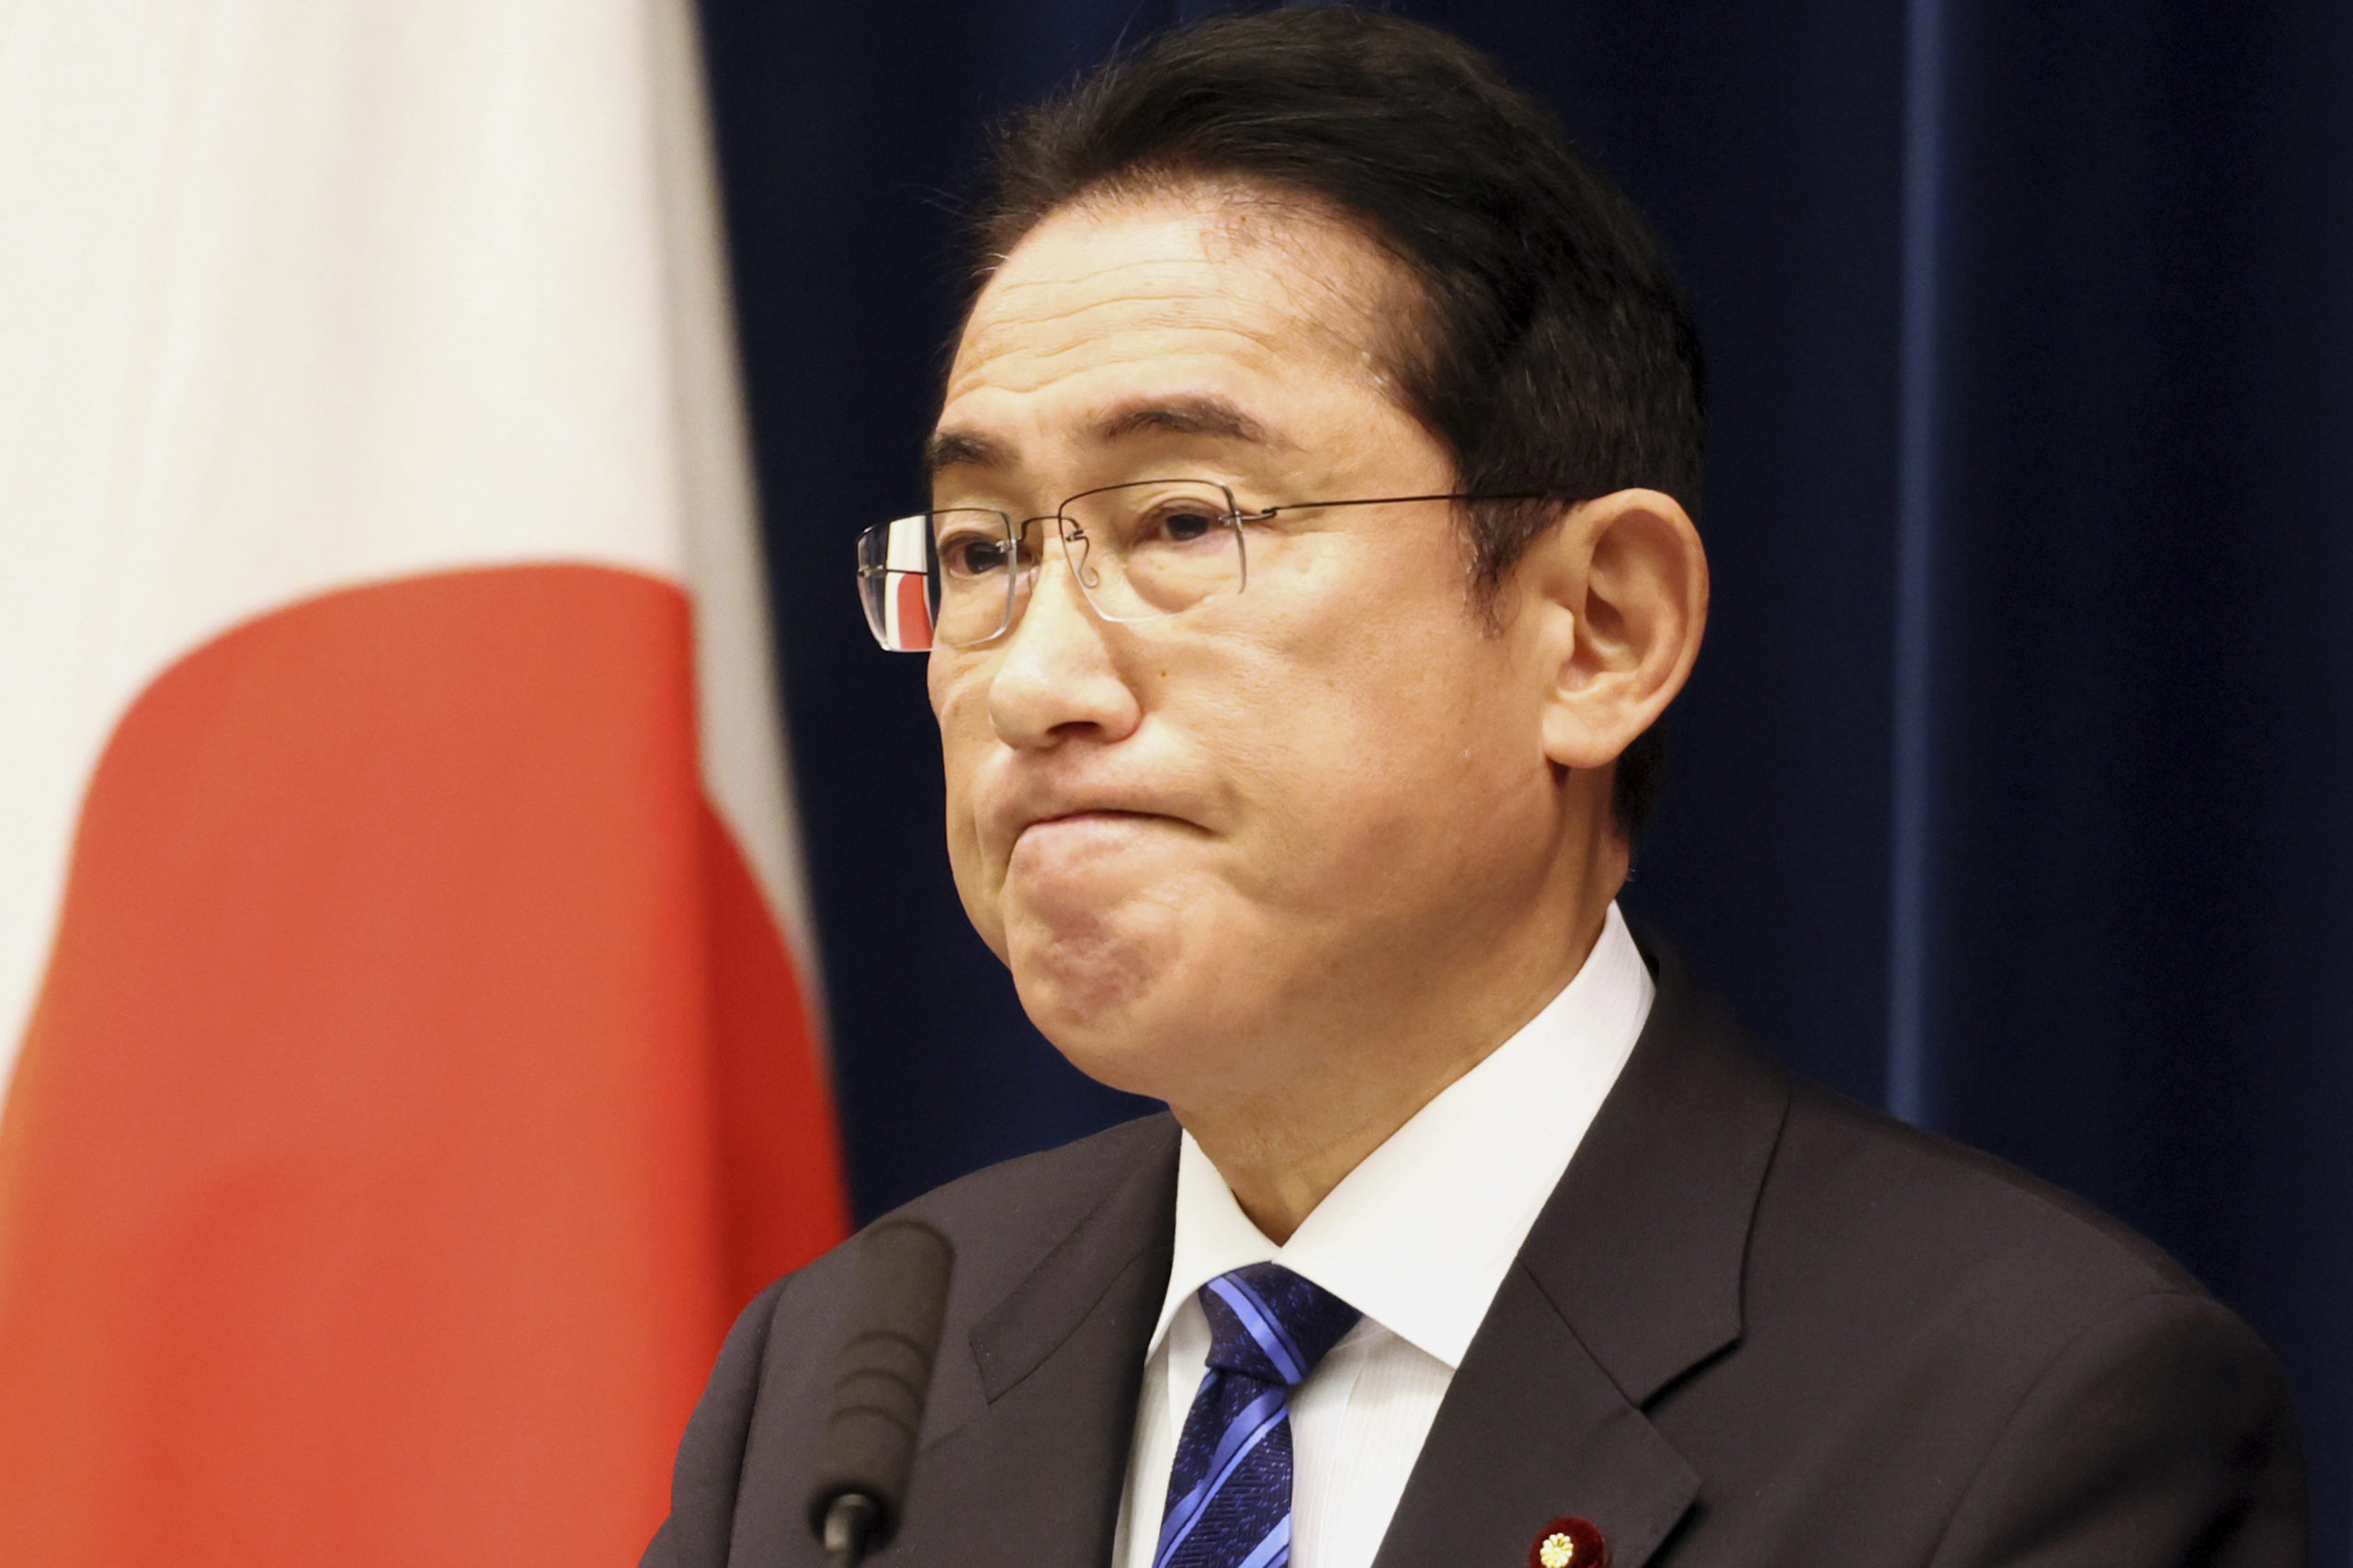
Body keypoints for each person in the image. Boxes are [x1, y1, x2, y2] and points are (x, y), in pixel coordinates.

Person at [643, 10, 2304, 1566]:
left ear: (1596, 629)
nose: (1034, 681)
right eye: (988, 549)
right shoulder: (845, 1386)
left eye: (1183, 524)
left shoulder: (2022, 1414)